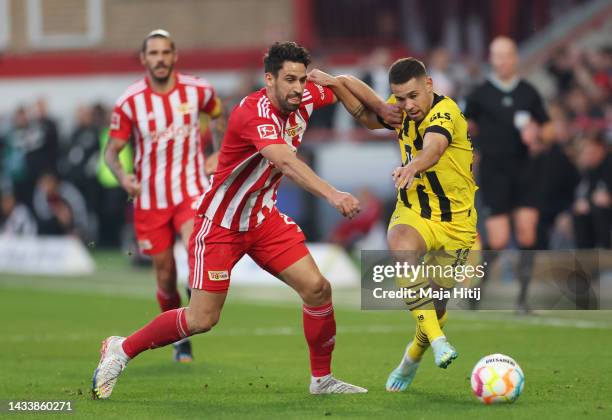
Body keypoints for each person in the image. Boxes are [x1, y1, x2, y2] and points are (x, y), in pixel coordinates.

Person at [92, 41, 371, 399]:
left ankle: (322, 380)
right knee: (201, 319)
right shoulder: (253, 112)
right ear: (269, 79)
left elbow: (347, 89)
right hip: (220, 224)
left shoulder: (305, 97)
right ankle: (121, 348)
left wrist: (357, 94)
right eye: (289, 79)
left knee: (318, 289)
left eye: (302, 79)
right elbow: (285, 161)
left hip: (262, 220)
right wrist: (334, 194)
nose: (298, 88)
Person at [308, 57, 477, 392]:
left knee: (437, 306)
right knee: (401, 246)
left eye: (413, 96)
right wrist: (335, 80)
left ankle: (412, 356)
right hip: (415, 211)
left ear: (429, 85)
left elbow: (435, 147)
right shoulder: (401, 111)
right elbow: (366, 112)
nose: (407, 105)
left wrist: (413, 167)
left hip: (456, 223)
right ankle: (439, 341)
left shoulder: (446, 112)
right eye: (399, 98)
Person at [103, 30, 224, 363]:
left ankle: (194, 307)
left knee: (193, 247)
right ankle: (178, 338)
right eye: (152, 53)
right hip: (150, 198)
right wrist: (121, 176)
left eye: (164, 52)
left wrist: (219, 152)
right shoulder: (130, 102)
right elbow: (112, 152)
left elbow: (218, 114)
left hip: (191, 190)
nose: (159, 58)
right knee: (165, 274)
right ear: (144, 59)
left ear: (175, 56)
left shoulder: (198, 89)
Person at [464, 36, 553, 312]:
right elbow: (466, 127)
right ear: (491, 59)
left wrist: (537, 134)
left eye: (507, 55)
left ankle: (522, 300)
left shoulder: (529, 92)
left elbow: (549, 129)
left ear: (515, 58)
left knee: (527, 234)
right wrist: (473, 152)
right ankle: (477, 290)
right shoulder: (480, 94)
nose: (502, 60)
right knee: (499, 240)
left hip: (526, 170)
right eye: (497, 55)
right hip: (494, 172)